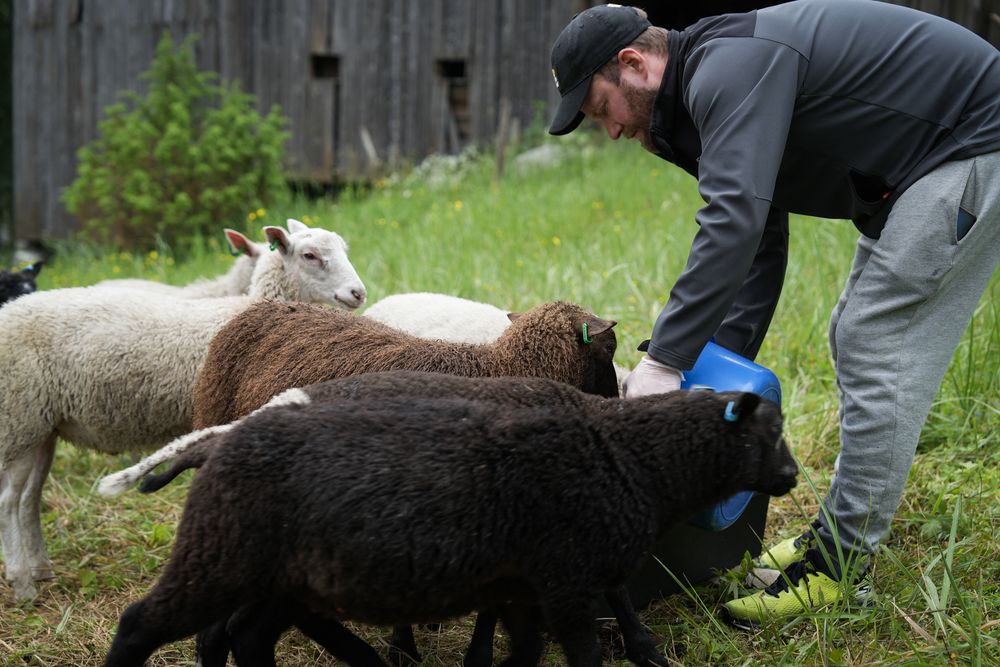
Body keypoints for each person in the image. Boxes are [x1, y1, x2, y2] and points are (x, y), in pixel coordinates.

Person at [548, 0, 1000, 628]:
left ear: (633, 64)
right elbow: (759, 239)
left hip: (969, 142)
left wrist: (664, 362)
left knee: (876, 343)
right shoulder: (691, 105)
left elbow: (733, 221)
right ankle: (838, 533)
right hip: (915, 164)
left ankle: (841, 564)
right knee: (855, 334)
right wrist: (712, 370)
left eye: (602, 110)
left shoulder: (727, 68)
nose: (612, 131)